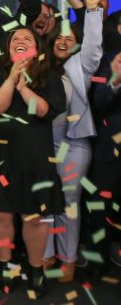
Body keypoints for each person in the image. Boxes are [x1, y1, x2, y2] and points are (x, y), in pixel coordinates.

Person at [0, 27, 66, 298]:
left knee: (35, 217)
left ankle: (36, 269)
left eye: (27, 38)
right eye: (14, 38)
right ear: (7, 48)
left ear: (37, 48)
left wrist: (23, 86)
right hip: (0, 157)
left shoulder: (48, 73)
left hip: (35, 157)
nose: (20, 41)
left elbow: (43, 111)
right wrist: (10, 79)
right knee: (0, 214)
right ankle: (5, 266)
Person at [41, 0, 104, 283]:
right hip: (42, 143)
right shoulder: (40, 67)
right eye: (60, 37)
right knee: (44, 198)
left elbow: (93, 46)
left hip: (74, 143)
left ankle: (68, 258)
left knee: (68, 201)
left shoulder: (81, 66)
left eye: (70, 38)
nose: (63, 41)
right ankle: (45, 253)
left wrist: (92, 11)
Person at [85, 49, 121, 277]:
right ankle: (97, 263)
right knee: (99, 209)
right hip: (109, 152)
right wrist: (115, 79)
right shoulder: (110, 60)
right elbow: (99, 101)